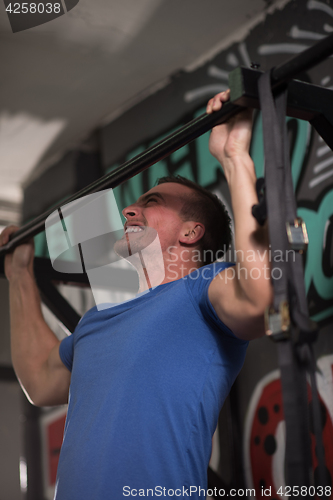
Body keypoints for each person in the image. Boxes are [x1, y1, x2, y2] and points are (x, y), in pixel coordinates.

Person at [1, 91, 273, 499]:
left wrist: (234, 156)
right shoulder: (98, 319)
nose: (129, 210)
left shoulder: (200, 290)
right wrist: (19, 274)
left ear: (190, 232)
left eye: (152, 202)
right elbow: (40, 381)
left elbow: (257, 301)